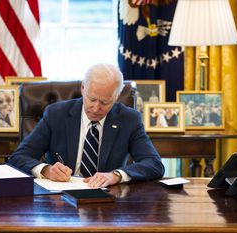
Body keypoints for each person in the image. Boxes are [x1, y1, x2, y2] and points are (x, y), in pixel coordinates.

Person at [8, 63, 164, 188]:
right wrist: (46, 170)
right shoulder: (56, 114)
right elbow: (18, 157)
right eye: (92, 99)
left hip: (108, 200)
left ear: (116, 97)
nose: (96, 108)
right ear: (83, 88)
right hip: (61, 199)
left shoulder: (129, 119)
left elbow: (154, 165)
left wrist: (116, 175)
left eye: (104, 102)